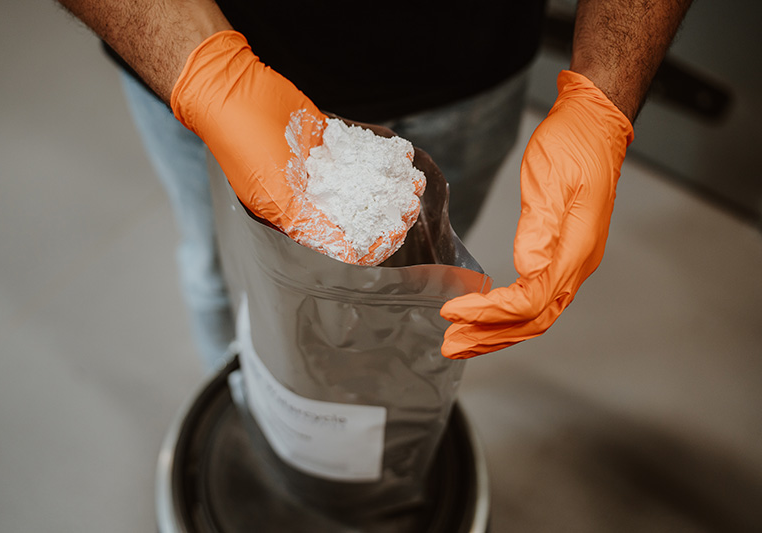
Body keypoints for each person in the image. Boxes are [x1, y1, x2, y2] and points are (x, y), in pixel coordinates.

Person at [59, 0, 692, 370]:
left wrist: (602, 96)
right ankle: (241, 393)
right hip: (188, 49)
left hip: (471, 68)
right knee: (221, 271)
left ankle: (373, 447)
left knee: (416, 308)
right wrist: (207, 76)